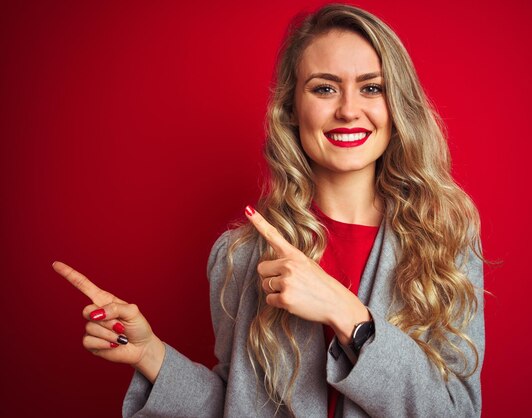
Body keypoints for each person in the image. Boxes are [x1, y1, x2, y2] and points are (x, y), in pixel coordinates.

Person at [54, 4, 485, 417]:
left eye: (372, 87)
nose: (349, 110)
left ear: (397, 106)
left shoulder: (445, 242)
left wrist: (348, 314)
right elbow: (235, 405)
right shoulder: (240, 254)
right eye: (324, 88)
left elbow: (456, 412)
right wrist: (151, 354)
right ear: (292, 109)